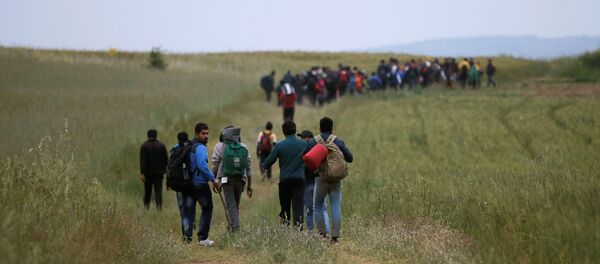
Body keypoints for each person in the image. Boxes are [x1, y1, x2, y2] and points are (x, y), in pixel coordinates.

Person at [303, 117, 353, 243]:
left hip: (320, 178)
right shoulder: (338, 141)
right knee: (335, 205)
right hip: (336, 179)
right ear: (331, 128)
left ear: (320, 128)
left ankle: (323, 234)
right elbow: (350, 158)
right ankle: (335, 237)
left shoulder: (314, 141)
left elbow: (303, 158)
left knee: (318, 205)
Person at [261, 121, 306, 230]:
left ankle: (286, 230)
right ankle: (298, 231)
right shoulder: (304, 144)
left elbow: (267, 163)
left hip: (285, 180)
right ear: (295, 130)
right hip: (299, 179)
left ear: (283, 131)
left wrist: (264, 165)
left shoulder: (280, 145)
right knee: (298, 206)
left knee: (285, 207)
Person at [183, 122, 219, 246]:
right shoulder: (200, 148)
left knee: (189, 211)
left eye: (207, 133)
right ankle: (203, 238)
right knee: (207, 208)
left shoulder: (189, 146)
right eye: (203, 133)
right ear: (197, 134)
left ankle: (187, 239)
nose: (206, 136)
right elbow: (202, 166)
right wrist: (213, 179)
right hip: (200, 184)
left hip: (188, 184)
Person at [212, 126, 252, 232]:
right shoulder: (243, 147)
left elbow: (215, 163)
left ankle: (235, 229)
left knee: (231, 205)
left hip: (226, 180)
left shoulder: (219, 146)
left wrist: (214, 180)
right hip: (240, 179)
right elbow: (248, 166)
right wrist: (249, 184)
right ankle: (233, 227)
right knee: (235, 205)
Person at [297, 130, 330, 235]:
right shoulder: (319, 147)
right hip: (319, 181)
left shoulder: (306, 150)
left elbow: (302, 164)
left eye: (302, 138)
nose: (301, 140)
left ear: (308, 138)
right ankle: (326, 232)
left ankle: (311, 232)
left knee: (310, 210)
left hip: (309, 183)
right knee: (321, 207)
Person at [170, 131, 192, 241]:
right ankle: (190, 230)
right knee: (190, 208)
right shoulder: (191, 148)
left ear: (178, 139)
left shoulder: (174, 149)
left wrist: (168, 183)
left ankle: (186, 234)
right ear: (187, 138)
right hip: (189, 183)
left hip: (178, 184)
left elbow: (170, 167)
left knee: (183, 210)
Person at [139, 129, 168, 210]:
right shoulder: (161, 146)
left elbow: (142, 161)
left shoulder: (144, 146)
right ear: (156, 135)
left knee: (147, 191)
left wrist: (142, 173)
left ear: (148, 135)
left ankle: (146, 207)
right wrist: (165, 170)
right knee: (158, 191)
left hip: (147, 173)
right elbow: (165, 159)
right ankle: (159, 208)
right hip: (159, 173)